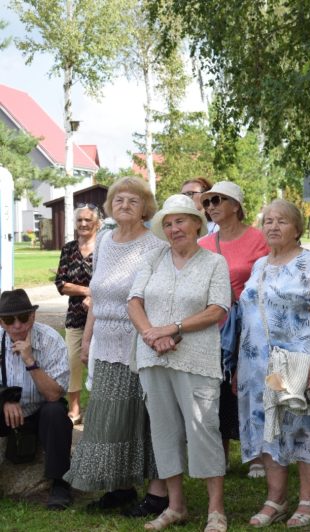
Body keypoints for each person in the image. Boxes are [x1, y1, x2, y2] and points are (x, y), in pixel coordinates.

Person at [64, 176, 169, 517]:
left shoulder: (154, 245)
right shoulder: (105, 241)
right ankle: (119, 486)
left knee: (143, 417)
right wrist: (88, 340)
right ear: (110, 206)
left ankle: (158, 493)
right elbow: (97, 293)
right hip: (104, 339)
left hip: (140, 339)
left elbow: (157, 297)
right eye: (119, 199)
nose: (125, 205)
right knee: (108, 416)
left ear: (145, 209)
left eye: (133, 201)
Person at [127, 194, 231, 532]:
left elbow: (218, 310)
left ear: (197, 223)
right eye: (168, 223)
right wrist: (150, 335)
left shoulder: (214, 262)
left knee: (204, 428)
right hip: (152, 355)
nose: (174, 228)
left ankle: (216, 510)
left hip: (196, 358)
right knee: (164, 429)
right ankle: (176, 506)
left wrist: (171, 329)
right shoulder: (154, 258)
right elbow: (134, 301)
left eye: (181, 221)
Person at [237, 199, 310, 527]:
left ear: (297, 229)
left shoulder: (309, 264)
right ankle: (276, 499)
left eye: (281, 221)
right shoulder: (260, 266)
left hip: (298, 362)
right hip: (259, 367)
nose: (273, 226)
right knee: (268, 427)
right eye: (267, 220)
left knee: (305, 427)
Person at [198, 181, 269, 479]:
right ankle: (220, 455)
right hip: (213, 326)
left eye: (218, 200)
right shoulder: (202, 244)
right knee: (217, 390)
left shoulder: (258, 239)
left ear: (236, 205)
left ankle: (257, 456)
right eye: (207, 202)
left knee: (252, 387)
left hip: (251, 324)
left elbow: (266, 279)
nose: (211, 206)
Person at [0, 289, 73, 510]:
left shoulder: (51, 340)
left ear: (33, 316)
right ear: (1, 322)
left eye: (23, 318)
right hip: (7, 411)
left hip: (41, 411)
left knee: (56, 413)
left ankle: (60, 482)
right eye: (8, 320)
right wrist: (5, 399)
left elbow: (54, 394)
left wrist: (30, 359)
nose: (17, 326)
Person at [54, 203, 101, 424]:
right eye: (80, 220)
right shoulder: (69, 248)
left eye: (88, 220)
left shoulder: (105, 246)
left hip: (101, 317)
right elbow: (61, 284)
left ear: (97, 223)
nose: (83, 224)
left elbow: (110, 280)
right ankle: (74, 409)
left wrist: (96, 295)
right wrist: (87, 290)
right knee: (72, 361)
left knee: (98, 362)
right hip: (75, 316)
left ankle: (99, 408)